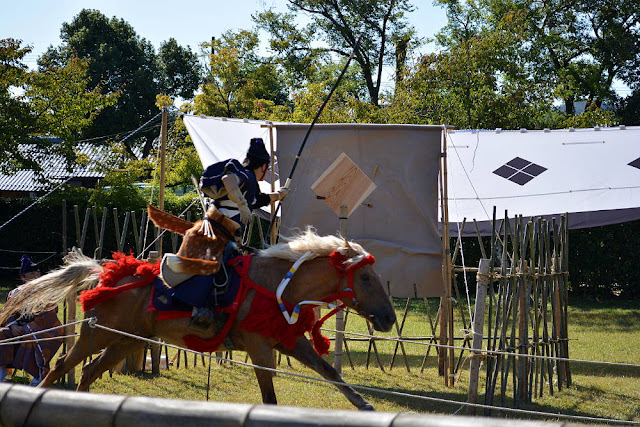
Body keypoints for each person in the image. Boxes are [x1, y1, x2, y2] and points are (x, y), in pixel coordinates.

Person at [200, 137, 289, 231]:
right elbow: (228, 179)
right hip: (221, 230)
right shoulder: (247, 176)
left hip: (213, 226)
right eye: (268, 169)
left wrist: (279, 195)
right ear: (263, 167)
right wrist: (241, 203)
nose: (267, 172)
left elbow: (259, 201)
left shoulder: (250, 182)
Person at [0, 256, 64, 386]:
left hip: (44, 329)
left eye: (38, 273)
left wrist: (27, 328)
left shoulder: (46, 292)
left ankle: (38, 376)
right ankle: (2, 372)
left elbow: (49, 315)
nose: (36, 276)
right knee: (2, 333)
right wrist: (12, 326)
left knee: (31, 336)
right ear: (23, 277)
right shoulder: (15, 293)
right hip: (19, 328)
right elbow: (7, 313)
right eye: (32, 273)